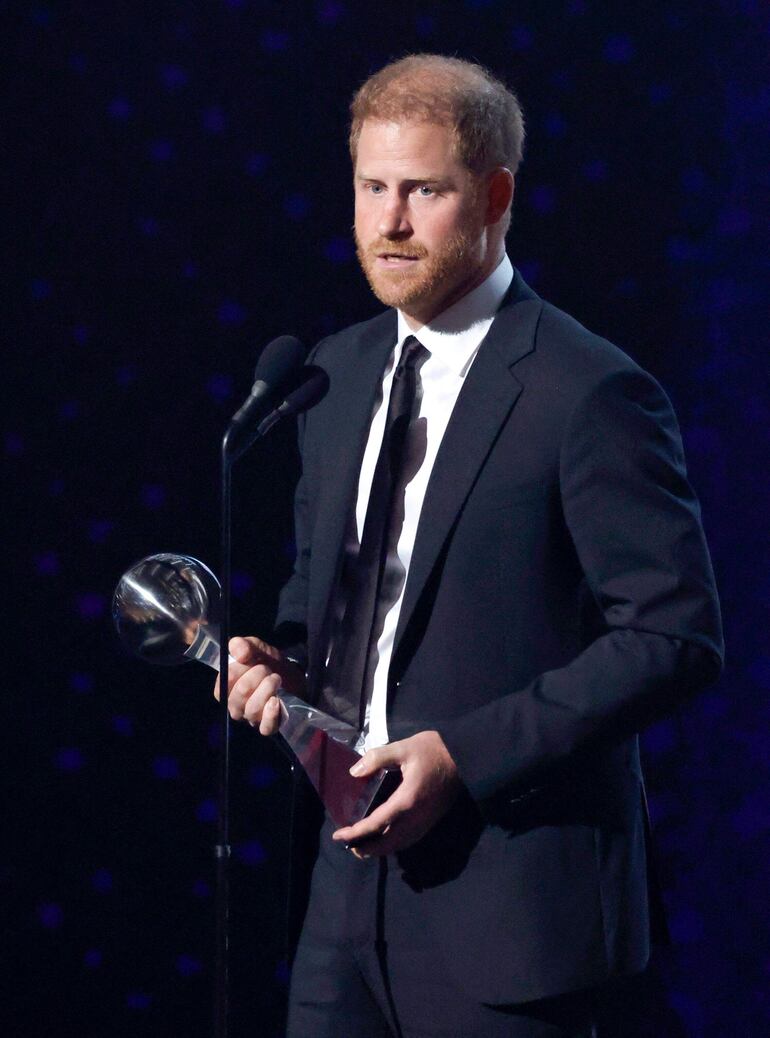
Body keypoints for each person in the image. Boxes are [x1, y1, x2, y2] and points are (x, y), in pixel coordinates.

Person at [216, 55, 723, 1038]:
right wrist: (276, 661)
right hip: (342, 897)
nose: (388, 222)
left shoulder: (586, 391)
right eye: (370, 188)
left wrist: (463, 755)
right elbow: (326, 600)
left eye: (422, 190)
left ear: (494, 196)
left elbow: (673, 637)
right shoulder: (334, 372)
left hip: (512, 905)